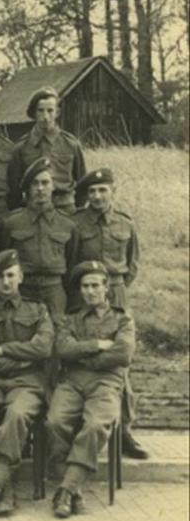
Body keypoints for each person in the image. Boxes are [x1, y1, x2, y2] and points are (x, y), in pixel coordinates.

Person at [0, 249, 53, 520]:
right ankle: (4, 487)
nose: (6, 282)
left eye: (10, 275)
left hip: (27, 383)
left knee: (16, 416)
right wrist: (21, 358)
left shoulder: (38, 310)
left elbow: (43, 348)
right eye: (0, 277)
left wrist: (4, 349)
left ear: (21, 277)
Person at [47, 260, 135, 517]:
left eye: (95, 285)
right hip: (72, 382)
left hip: (106, 382)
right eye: (85, 286)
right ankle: (73, 488)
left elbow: (123, 354)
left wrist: (84, 356)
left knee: (96, 425)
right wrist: (97, 344)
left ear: (107, 287)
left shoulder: (122, 319)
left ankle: (66, 490)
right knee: (55, 422)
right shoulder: (71, 318)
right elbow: (62, 349)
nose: (90, 291)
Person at [71, 168, 147, 459]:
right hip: (85, 293)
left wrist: (115, 290)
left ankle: (123, 430)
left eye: (103, 190)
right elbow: (72, 261)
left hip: (115, 291)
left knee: (121, 362)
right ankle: (81, 426)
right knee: (84, 353)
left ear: (113, 191)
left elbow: (132, 264)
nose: (97, 196)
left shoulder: (125, 223)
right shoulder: (77, 223)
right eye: (92, 191)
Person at [0, 157, 79, 321]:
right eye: (35, 183)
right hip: (23, 289)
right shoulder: (11, 223)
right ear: (28, 188)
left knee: (58, 330)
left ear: (53, 186)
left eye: (45, 183)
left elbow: (73, 262)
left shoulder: (68, 224)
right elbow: (2, 259)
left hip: (54, 290)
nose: (40, 188)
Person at [6, 87, 86, 214]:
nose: (45, 116)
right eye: (40, 111)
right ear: (34, 113)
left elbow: (83, 184)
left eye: (50, 111)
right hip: (33, 209)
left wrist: (74, 211)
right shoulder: (22, 147)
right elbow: (14, 189)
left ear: (57, 112)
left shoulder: (71, 144)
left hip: (65, 209)